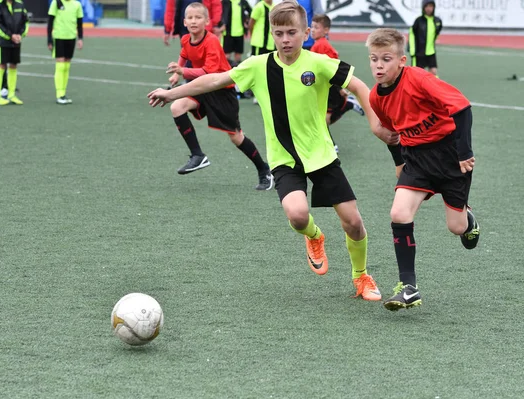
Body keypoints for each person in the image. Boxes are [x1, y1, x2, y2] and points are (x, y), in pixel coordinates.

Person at [148, 0, 397, 301]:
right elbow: (214, 80)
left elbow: (358, 85)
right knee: (297, 215)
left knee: (354, 223)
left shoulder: (317, 62)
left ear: (306, 33)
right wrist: (170, 92)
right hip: (284, 159)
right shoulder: (258, 65)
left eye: (292, 32)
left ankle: (361, 277)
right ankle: (315, 236)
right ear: (272, 34)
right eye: (278, 33)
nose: (285, 39)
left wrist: (375, 123)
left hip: (321, 155)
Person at [366, 28, 480, 311]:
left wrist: (465, 153)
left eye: (386, 59)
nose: (379, 65)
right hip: (416, 158)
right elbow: (392, 134)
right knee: (398, 213)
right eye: (374, 59)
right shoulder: (376, 97)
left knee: (456, 228)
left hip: (450, 154)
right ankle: (408, 288)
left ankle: (469, 220)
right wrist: (399, 162)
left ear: (402, 60)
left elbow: (462, 108)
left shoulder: (419, 79)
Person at [162, 2, 273, 190]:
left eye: (198, 17)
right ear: (184, 22)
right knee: (176, 107)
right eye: (190, 18)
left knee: (236, 137)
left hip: (222, 90)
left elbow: (210, 73)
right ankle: (197, 155)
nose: (194, 21)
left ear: (207, 21)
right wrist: (176, 72)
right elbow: (185, 53)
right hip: (203, 88)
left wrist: (183, 71)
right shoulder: (186, 39)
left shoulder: (212, 40)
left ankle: (264, 171)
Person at [310, 13, 364, 151]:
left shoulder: (322, 45)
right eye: (312, 26)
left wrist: (338, 87)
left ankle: (331, 145)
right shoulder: (318, 44)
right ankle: (348, 105)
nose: (312, 29)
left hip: (328, 87)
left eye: (316, 27)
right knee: (322, 119)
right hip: (325, 86)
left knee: (323, 119)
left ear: (326, 30)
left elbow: (333, 67)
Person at [0, 0, 28, 106]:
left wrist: (21, 34)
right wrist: (9, 36)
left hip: (16, 41)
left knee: (13, 66)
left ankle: (11, 95)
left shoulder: (19, 4)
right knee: (1, 65)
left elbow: (25, 21)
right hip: (3, 41)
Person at [47, 0, 84, 105]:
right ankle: (59, 94)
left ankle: (63, 93)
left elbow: (79, 23)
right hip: (59, 37)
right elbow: (50, 21)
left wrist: (80, 38)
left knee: (67, 66)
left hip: (71, 37)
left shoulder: (77, 4)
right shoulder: (56, 2)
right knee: (60, 65)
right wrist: (49, 39)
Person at [409, 1, 442, 76]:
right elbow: (412, 35)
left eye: (430, 6)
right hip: (419, 52)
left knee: (433, 71)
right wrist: (412, 51)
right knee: (418, 74)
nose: (428, 8)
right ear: (423, 8)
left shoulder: (437, 21)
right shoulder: (418, 21)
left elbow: (437, 33)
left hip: (431, 52)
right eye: (426, 6)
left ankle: (433, 87)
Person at [220, 0, 252, 66]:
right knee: (226, 55)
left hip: (239, 33)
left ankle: (237, 71)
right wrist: (221, 24)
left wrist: (247, 20)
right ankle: (225, 71)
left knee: (238, 55)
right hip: (228, 33)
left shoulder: (243, 1)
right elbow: (220, 13)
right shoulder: (225, 1)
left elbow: (250, 11)